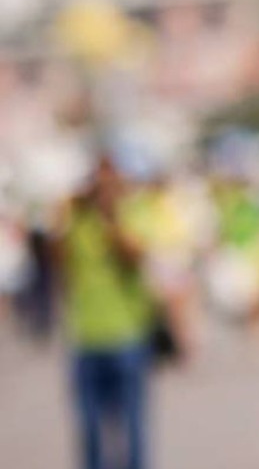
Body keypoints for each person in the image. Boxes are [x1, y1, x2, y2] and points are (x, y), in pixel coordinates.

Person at [54, 155, 153, 469]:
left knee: (132, 425)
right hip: (86, 336)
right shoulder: (78, 223)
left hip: (126, 335)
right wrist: (66, 212)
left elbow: (135, 257)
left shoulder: (131, 215)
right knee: (91, 429)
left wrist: (113, 220)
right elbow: (60, 263)